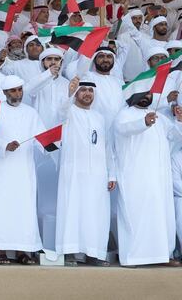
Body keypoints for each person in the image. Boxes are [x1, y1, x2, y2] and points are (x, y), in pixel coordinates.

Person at [0, 75, 44, 265]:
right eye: (13, 91)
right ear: (5, 93)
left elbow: (40, 137)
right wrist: (4, 146)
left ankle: (23, 251)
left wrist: (52, 143)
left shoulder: (31, 113)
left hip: (24, 170)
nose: (18, 94)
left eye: (20, 90)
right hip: (1, 170)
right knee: (0, 208)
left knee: (23, 209)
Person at [113, 93, 182, 267]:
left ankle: (163, 255)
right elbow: (125, 129)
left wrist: (179, 121)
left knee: (161, 215)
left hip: (159, 177)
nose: (146, 97)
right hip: (135, 176)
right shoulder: (124, 114)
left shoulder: (159, 115)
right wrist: (143, 122)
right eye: (142, 94)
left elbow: (175, 136)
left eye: (149, 94)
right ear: (132, 95)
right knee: (136, 215)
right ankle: (133, 257)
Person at [55, 79, 115, 266]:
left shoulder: (99, 117)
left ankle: (94, 253)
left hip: (97, 174)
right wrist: (70, 93)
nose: (87, 93)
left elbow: (107, 148)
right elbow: (61, 111)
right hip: (73, 173)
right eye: (83, 90)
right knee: (72, 210)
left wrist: (111, 174)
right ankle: (70, 252)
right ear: (76, 94)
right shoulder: (69, 112)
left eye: (90, 90)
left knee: (96, 213)